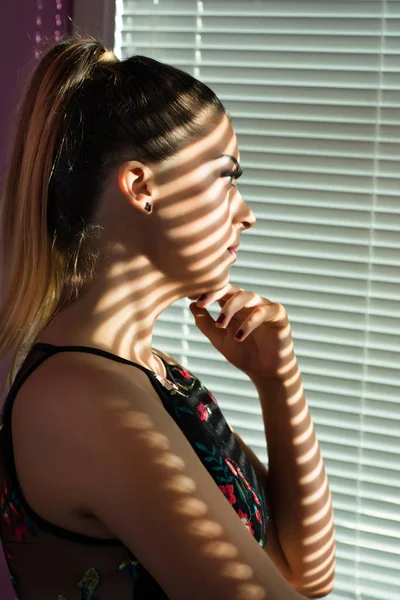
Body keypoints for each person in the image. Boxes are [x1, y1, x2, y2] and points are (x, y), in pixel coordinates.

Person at [0, 36, 335, 600]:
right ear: (142, 187)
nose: (246, 215)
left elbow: (307, 576)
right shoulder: (84, 398)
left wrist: (279, 382)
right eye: (227, 178)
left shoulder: (154, 373)